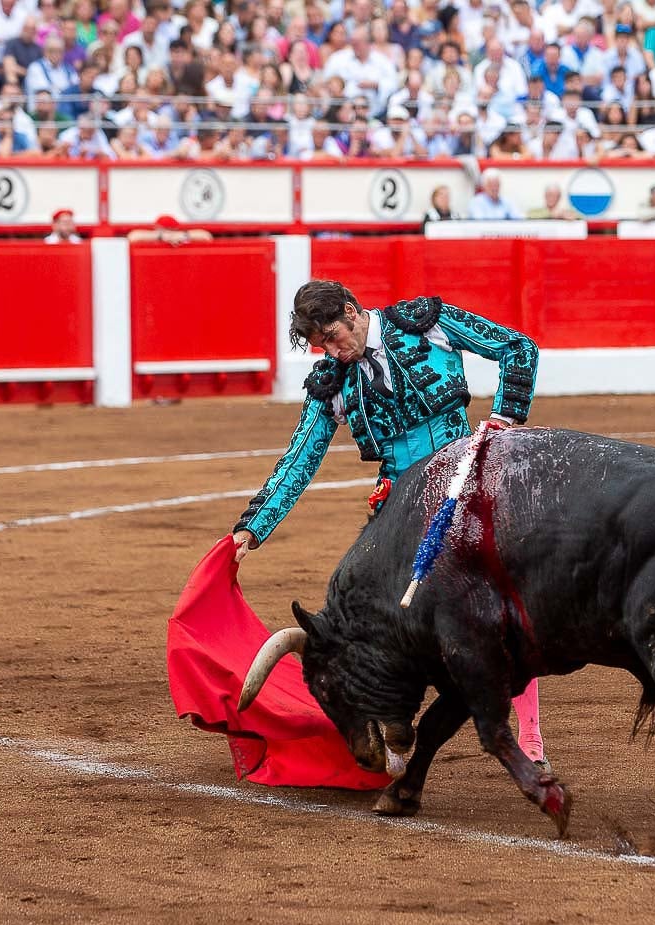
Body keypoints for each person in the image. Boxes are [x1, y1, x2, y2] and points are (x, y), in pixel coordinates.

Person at [231, 280, 549, 771]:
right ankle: (392, 727)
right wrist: (253, 527)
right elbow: (299, 461)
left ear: (354, 312)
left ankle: (529, 735)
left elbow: (517, 348)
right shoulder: (332, 383)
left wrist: (505, 419)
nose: (334, 351)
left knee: (500, 602)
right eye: (322, 345)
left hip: (464, 482)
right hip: (398, 508)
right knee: (380, 614)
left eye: (334, 336)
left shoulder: (426, 325)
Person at [128, 214, 212, 244]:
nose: (169, 232)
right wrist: (161, 236)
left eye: (171, 229)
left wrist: (181, 236)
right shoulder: (151, 237)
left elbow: (206, 236)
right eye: (165, 229)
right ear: (157, 228)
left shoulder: (179, 237)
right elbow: (132, 237)